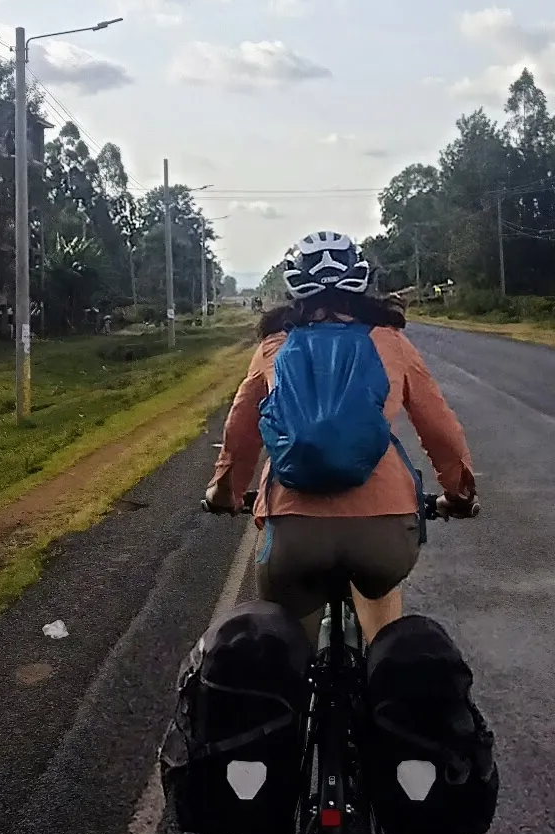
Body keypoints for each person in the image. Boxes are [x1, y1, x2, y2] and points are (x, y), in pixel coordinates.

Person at [202, 230, 475, 639]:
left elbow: (240, 435)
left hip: (295, 532)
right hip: (384, 532)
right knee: (387, 636)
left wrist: (226, 494)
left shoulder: (274, 346)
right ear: (362, 280)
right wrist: (458, 493)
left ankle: (296, 694)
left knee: (287, 652)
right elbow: (440, 430)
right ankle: (384, 677)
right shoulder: (390, 341)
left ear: (296, 287)